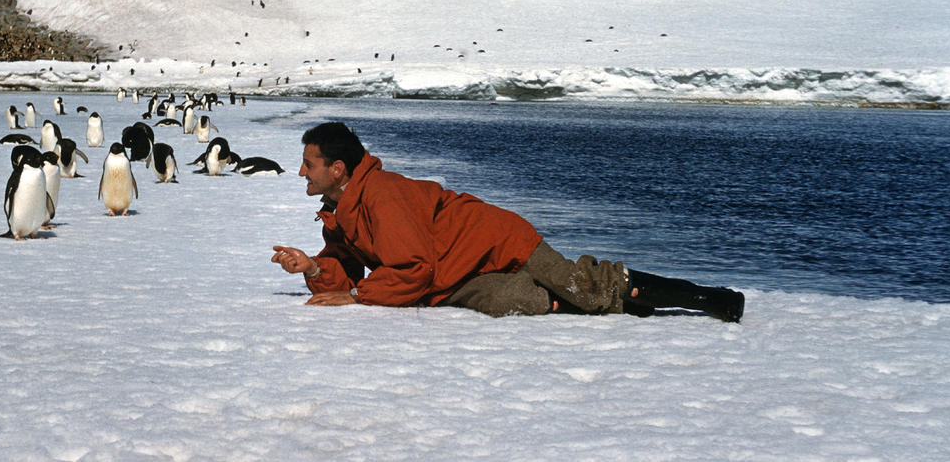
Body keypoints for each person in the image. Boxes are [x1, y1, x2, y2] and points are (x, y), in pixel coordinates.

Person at [271, 122, 745, 321]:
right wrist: (313, 267)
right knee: (514, 302)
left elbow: (414, 267)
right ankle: (623, 307)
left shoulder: (383, 195)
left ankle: (707, 298)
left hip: (496, 240)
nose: (301, 172)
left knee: (584, 287)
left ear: (338, 169)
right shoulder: (341, 211)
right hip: (454, 274)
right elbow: (348, 269)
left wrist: (358, 297)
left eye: (308, 164)